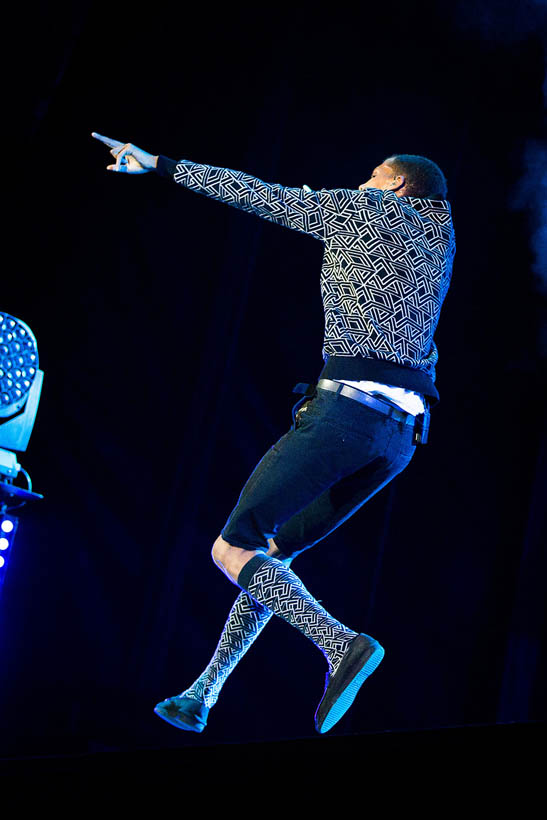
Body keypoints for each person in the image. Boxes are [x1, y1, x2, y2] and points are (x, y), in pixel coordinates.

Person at [91, 132, 456, 734]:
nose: (359, 184)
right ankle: (204, 692)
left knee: (231, 548)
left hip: (347, 415)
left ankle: (342, 645)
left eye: (370, 174)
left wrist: (158, 163)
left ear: (395, 184)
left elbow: (262, 196)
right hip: (398, 441)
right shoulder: (439, 235)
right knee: (270, 557)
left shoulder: (368, 208)